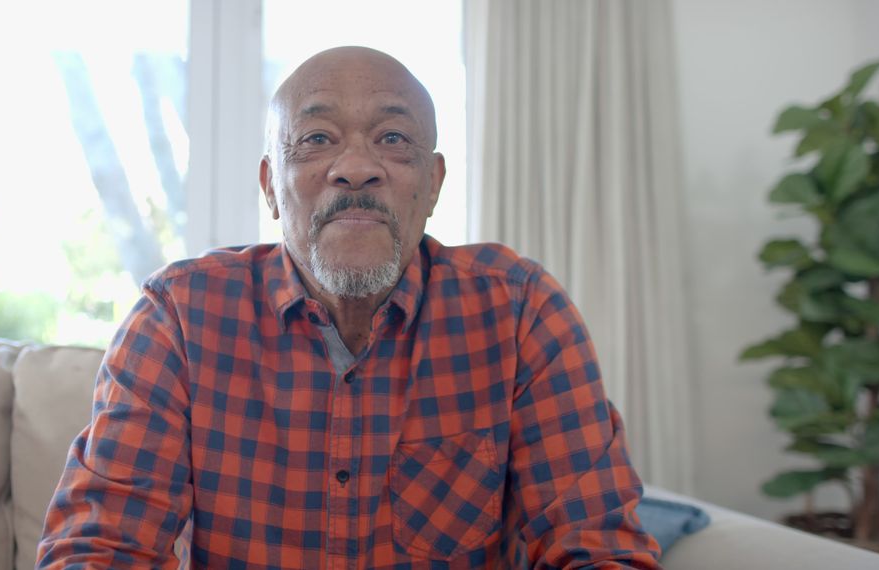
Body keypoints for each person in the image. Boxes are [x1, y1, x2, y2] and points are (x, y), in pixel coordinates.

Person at [37, 46, 662, 569]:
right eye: (316, 139)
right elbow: (100, 547)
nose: (357, 167)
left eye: (393, 139)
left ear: (434, 183)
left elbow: (597, 547)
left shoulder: (520, 312)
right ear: (270, 188)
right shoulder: (178, 317)